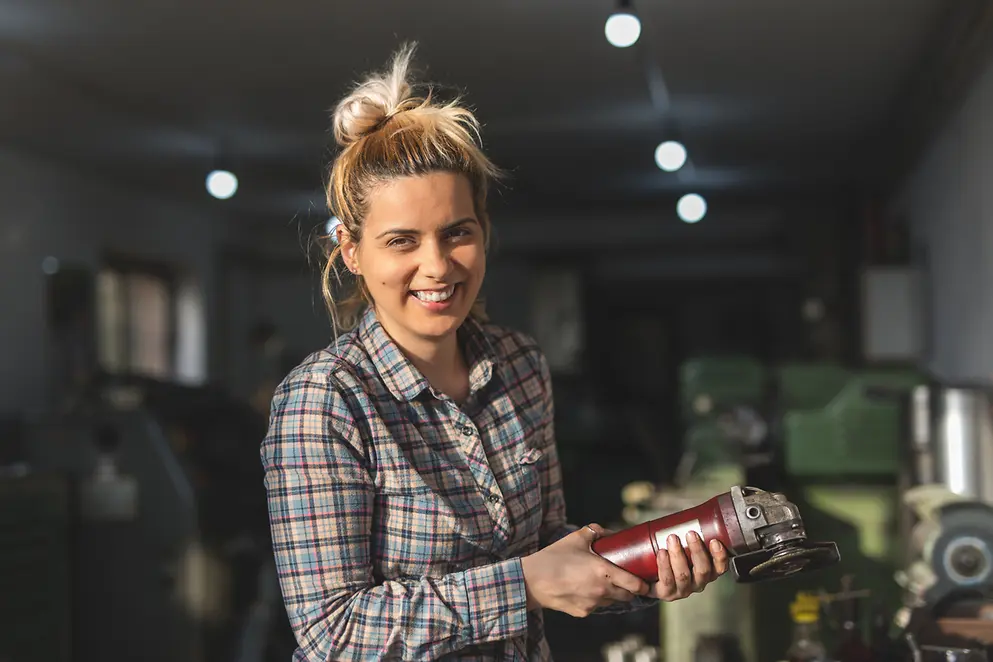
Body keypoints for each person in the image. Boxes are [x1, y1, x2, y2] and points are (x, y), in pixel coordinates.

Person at [260, 43, 730, 662]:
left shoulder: (518, 364)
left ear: (484, 230)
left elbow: (549, 544)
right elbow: (334, 632)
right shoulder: (325, 401)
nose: (437, 266)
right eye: (402, 241)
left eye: (457, 233)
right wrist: (527, 583)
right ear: (351, 251)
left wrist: (645, 569)